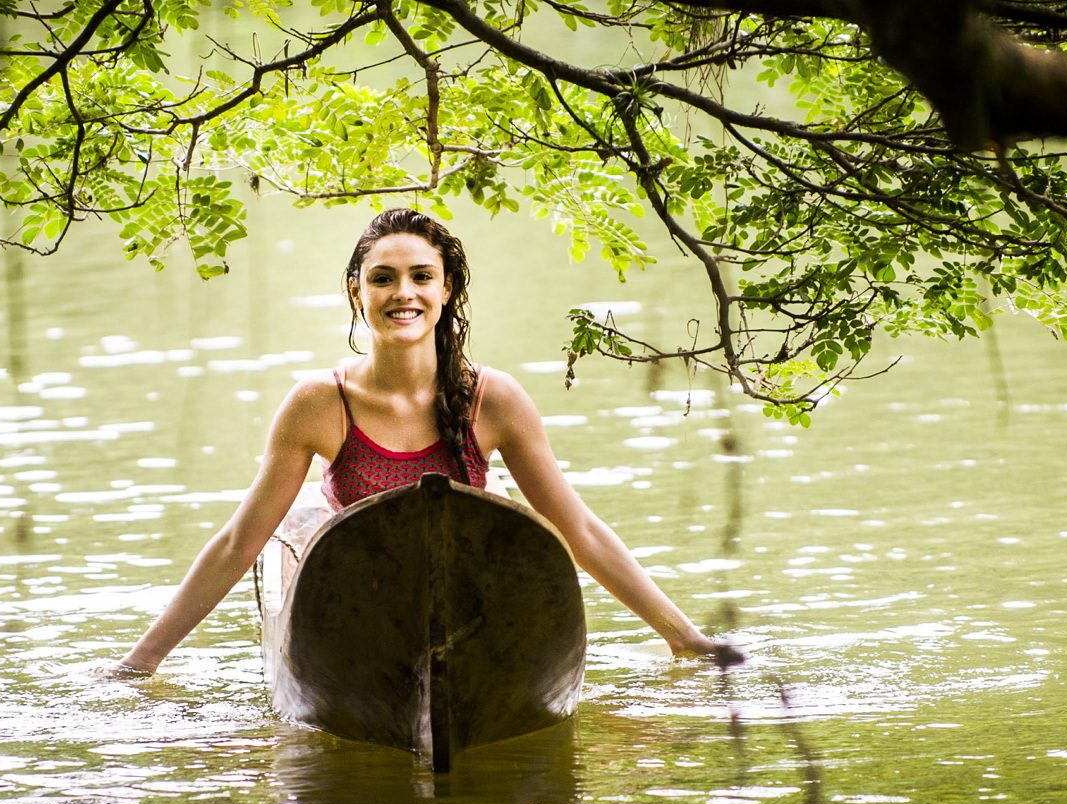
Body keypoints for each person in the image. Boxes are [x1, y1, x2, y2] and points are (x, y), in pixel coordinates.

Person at [113, 207, 739, 676]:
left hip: (470, 612)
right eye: (383, 278)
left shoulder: (492, 400)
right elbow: (237, 542)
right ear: (358, 293)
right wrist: (143, 661)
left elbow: (578, 529)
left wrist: (683, 637)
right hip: (364, 615)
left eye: (421, 277)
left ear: (447, 291)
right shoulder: (317, 404)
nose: (402, 293)